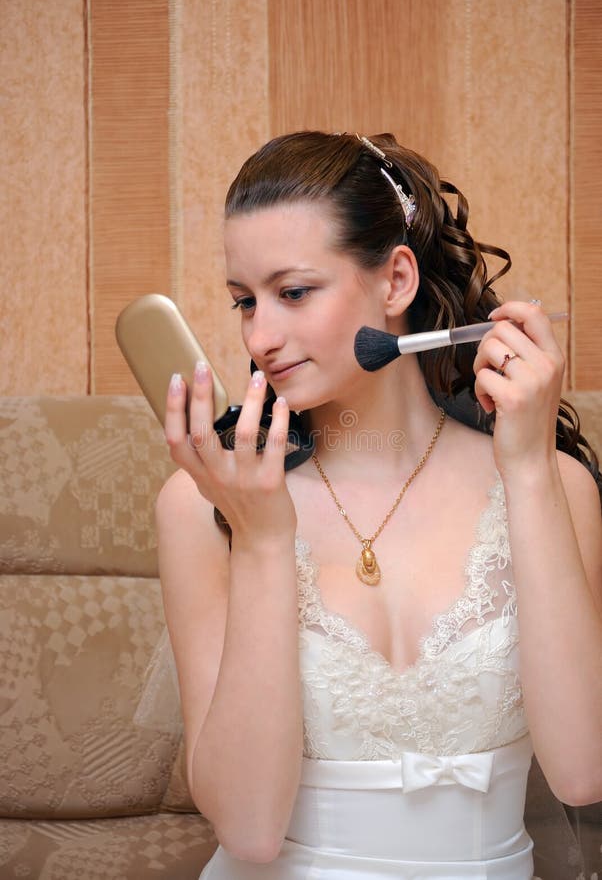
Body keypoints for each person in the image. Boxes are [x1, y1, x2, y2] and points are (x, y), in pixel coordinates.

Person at [154, 131, 602, 879]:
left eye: (293, 292)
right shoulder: (204, 503)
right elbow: (250, 831)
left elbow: (583, 772)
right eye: (244, 302)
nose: (260, 336)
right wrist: (264, 542)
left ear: (395, 282)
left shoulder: (555, 486)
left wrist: (525, 469)